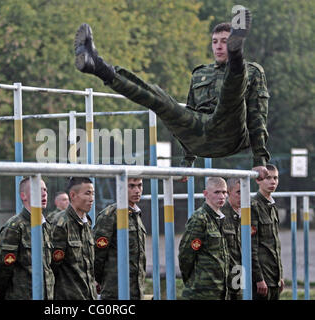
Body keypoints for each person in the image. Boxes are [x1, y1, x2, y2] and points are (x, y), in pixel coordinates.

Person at [74, 8, 270, 180]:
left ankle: (237, 55)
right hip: (200, 138)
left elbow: (257, 116)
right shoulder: (200, 73)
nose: (218, 46)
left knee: (232, 91)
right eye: (215, 41)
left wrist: (259, 159)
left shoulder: (254, 71)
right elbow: (189, 114)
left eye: (225, 42)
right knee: (159, 99)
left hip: (230, 135)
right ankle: (98, 67)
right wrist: (187, 161)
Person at [0, 176, 54, 300]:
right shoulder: (15, 227)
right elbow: (0, 270)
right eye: (37, 189)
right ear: (23, 196)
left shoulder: (46, 226)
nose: (43, 194)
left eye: (45, 190)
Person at [93, 178, 146, 300]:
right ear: (121, 188)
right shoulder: (110, 215)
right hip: (115, 291)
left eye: (140, 185)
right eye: (131, 186)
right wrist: (100, 280)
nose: (137, 190)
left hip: (136, 290)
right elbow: (97, 254)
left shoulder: (136, 214)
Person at [178, 177, 230, 300]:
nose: (222, 196)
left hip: (219, 290)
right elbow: (186, 255)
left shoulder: (220, 219)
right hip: (201, 291)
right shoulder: (200, 219)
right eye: (217, 192)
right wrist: (192, 280)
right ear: (205, 194)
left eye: (224, 192)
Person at [51, 177, 97, 300]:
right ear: (73, 195)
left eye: (93, 194)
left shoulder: (87, 223)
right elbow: (51, 267)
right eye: (87, 194)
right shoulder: (61, 224)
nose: (91, 198)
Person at [251, 164, 284, 300]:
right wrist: (259, 278)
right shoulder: (253, 206)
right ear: (258, 180)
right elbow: (251, 246)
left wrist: (280, 275)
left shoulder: (272, 205)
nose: (273, 182)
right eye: (268, 178)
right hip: (262, 277)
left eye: (275, 178)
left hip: (273, 276)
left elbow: (275, 244)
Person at [221, 178, 242, 300]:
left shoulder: (246, 213)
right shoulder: (221, 215)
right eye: (238, 192)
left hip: (240, 273)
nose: (242, 196)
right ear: (228, 193)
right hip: (225, 276)